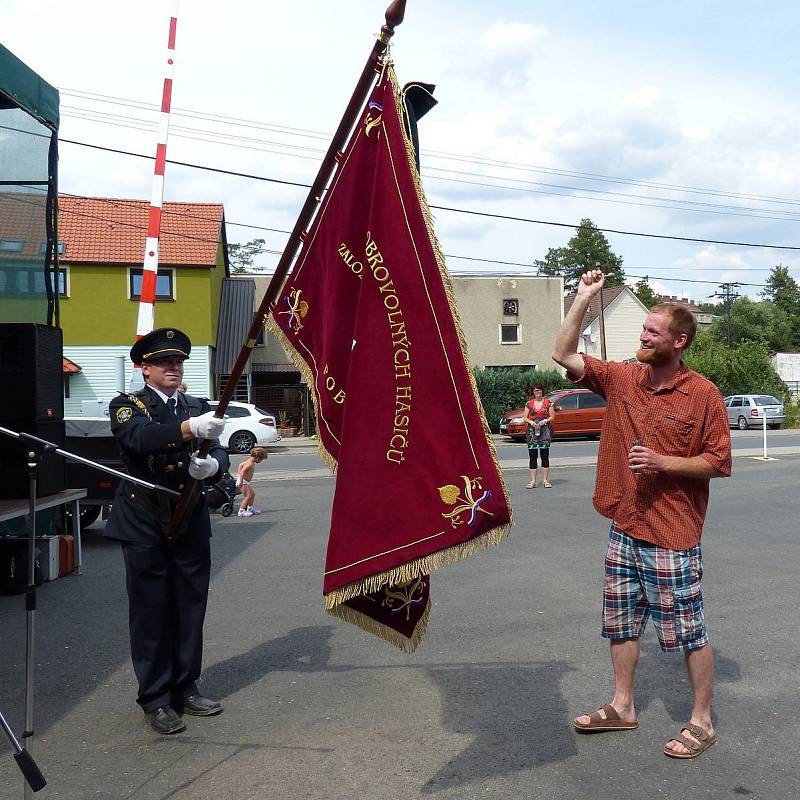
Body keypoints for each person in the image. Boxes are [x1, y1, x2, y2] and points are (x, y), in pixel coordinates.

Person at [552, 269, 731, 759]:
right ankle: (623, 706)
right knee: (621, 623)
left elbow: (719, 462)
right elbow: (563, 354)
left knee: (688, 631)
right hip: (624, 527)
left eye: (653, 332)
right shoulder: (623, 379)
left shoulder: (705, 396)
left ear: (679, 341)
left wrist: (663, 462)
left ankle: (701, 721)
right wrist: (584, 299)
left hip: (673, 533)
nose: (643, 337)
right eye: (643, 330)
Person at [104, 328, 230, 735]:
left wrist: (215, 466)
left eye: (177, 361)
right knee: (151, 610)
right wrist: (190, 429)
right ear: (144, 369)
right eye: (163, 362)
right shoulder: (127, 405)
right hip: (145, 518)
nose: (173, 367)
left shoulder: (195, 404)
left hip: (189, 516)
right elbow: (139, 438)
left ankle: (185, 685)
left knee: (190, 605)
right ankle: (156, 697)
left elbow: (220, 446)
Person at [523, 385, 555, 488]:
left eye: (539, 390)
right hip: (532, 432)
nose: (537, 392)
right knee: (532, 456)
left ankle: (545, 480)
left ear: (542, 391)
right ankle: (533, 481)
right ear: (533, 392)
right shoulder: (529, 404)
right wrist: (531, 422)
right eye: (535, 390)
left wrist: (544, 420)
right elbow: (525, 418)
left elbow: (552, 416)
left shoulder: (548, 403)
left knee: (544, 455)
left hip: (544, 431)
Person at [236, 447, 267, 517]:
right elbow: (242, 472)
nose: (261, 461)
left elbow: (241, 464)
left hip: (245, 481)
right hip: (243, 481)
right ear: (258, 458)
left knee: (252, 494)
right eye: (261, 460)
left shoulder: (251, 461)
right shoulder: (250, 463)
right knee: (248, 496)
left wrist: (238, 474)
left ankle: (250, 508)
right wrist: (240, 480)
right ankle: (241, 511)